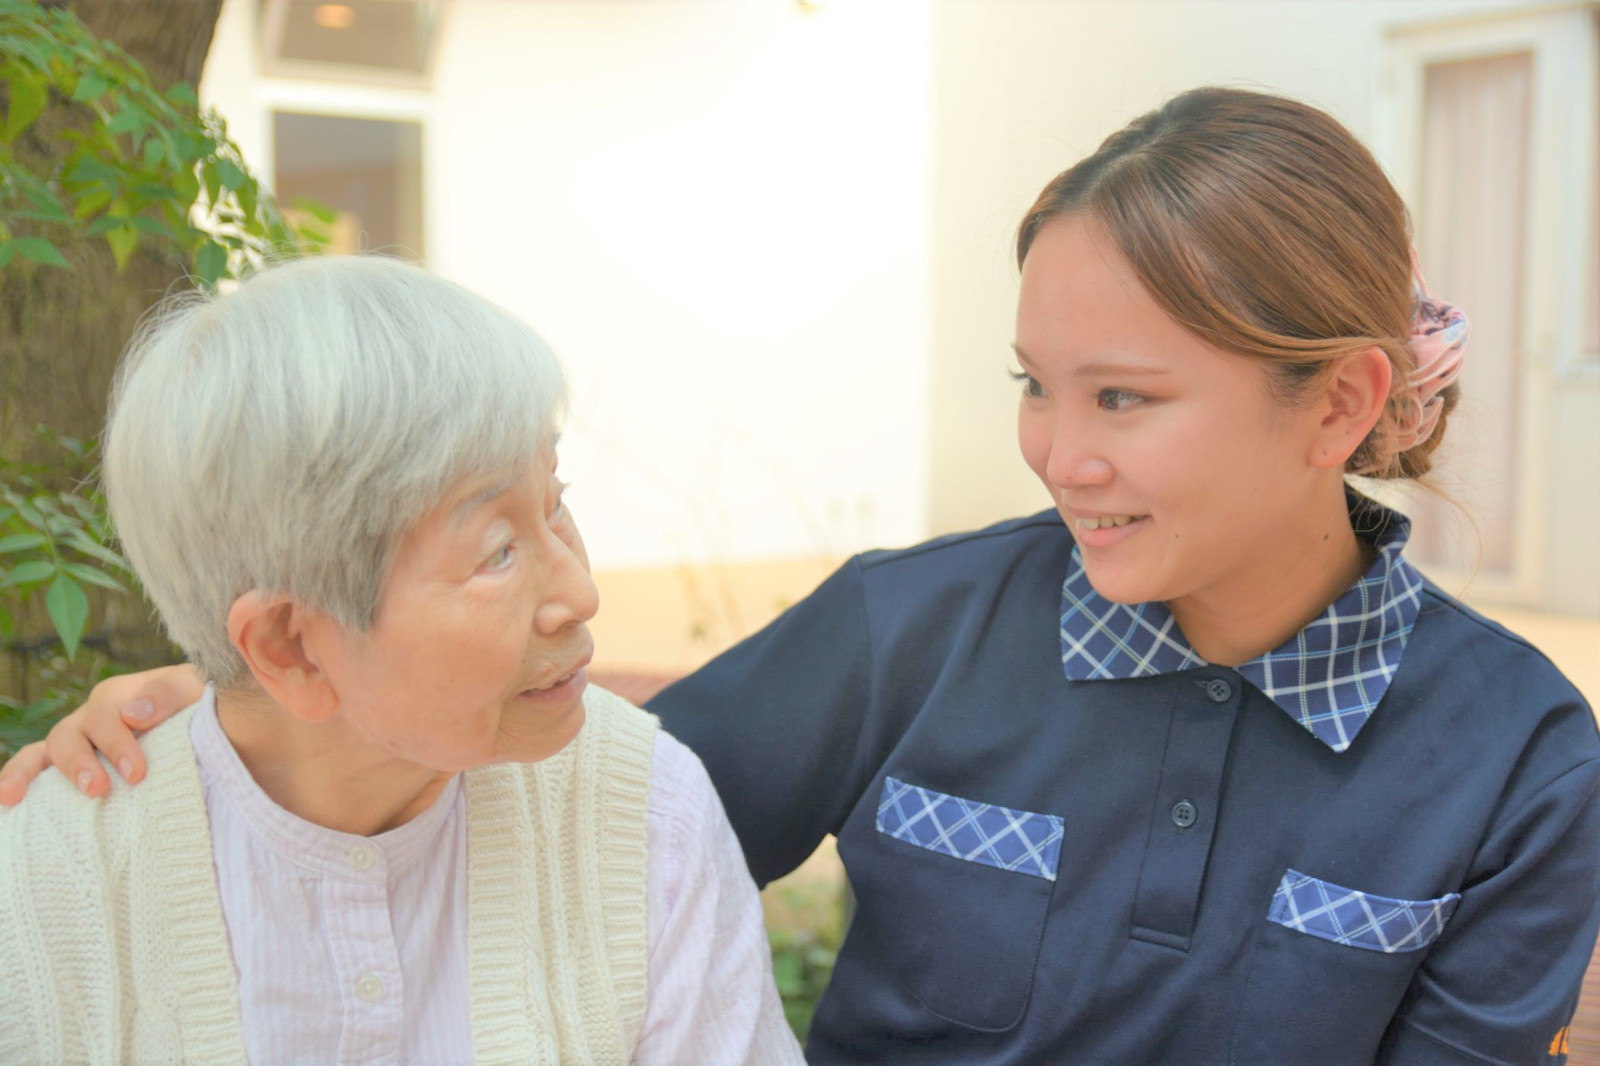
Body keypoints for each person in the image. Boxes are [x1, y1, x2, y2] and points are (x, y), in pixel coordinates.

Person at [6, 88, 1597, 1065]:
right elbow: (548, 790)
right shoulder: (905, 632)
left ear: (1338, 402)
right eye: (1033, 383)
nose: (1055, 450)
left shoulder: (1521, 763)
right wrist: (254, 713)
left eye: (1123, 398)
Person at [0, 256, 802, 1065]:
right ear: (289, 649)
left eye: (554, 502)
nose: (578, 591)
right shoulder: (45, 889)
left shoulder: (642, 814)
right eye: (497, 550)